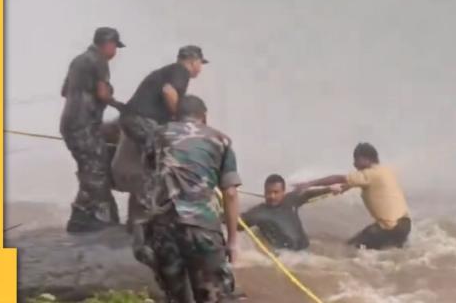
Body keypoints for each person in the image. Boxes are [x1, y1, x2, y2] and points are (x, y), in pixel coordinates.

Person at [132, 95, 241, 303]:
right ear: (205, 117)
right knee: (214, 296)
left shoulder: (157, 135)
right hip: (203, 229)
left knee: (175, 296)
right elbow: (231, 193)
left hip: (164, 227)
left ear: (175, 116)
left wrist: (140, 231)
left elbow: (146, 183)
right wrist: (233, 241)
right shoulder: (221, 140)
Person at [60, 27, 125, 233]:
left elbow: (64, 91)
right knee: (96, 169)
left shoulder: (78, 60)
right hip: (84, 124)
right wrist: (120, 106)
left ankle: (82, 217)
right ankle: (96, 220)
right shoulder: (99, 60)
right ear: (108, 44)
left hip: (69, 122)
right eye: (115, 47)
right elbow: (102, 93)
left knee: (90, 167)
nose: (115, 52)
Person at [293, 143, 411, 250]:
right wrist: (345, 187)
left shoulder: (369, 174)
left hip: (390, 228)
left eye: (356, 159)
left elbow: (337, 178)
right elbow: (367, 184)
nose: (354, 164)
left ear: (366, 159)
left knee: (350, 249)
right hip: (405, 225)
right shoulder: (384, 171)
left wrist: (308, 184)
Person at [120, 45, 208, 158]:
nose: (200, 69)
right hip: (143, 120)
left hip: (133, 119)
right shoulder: (181, 70)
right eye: (200, 63)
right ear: (193, 62)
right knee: (167, 155)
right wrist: (180, 120)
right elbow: (168, 91)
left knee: (153, 156)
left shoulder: (168, 71)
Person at [240, 174, 331, 251]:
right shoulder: (258, 212)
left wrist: (329, 189)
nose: (272, 196)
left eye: (276, 192)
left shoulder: (291, 199)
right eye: (268, 192)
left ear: (283, 192)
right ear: (264, 192)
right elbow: (237, 223)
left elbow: (308, 194)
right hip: (285, 256)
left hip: (305, 250)